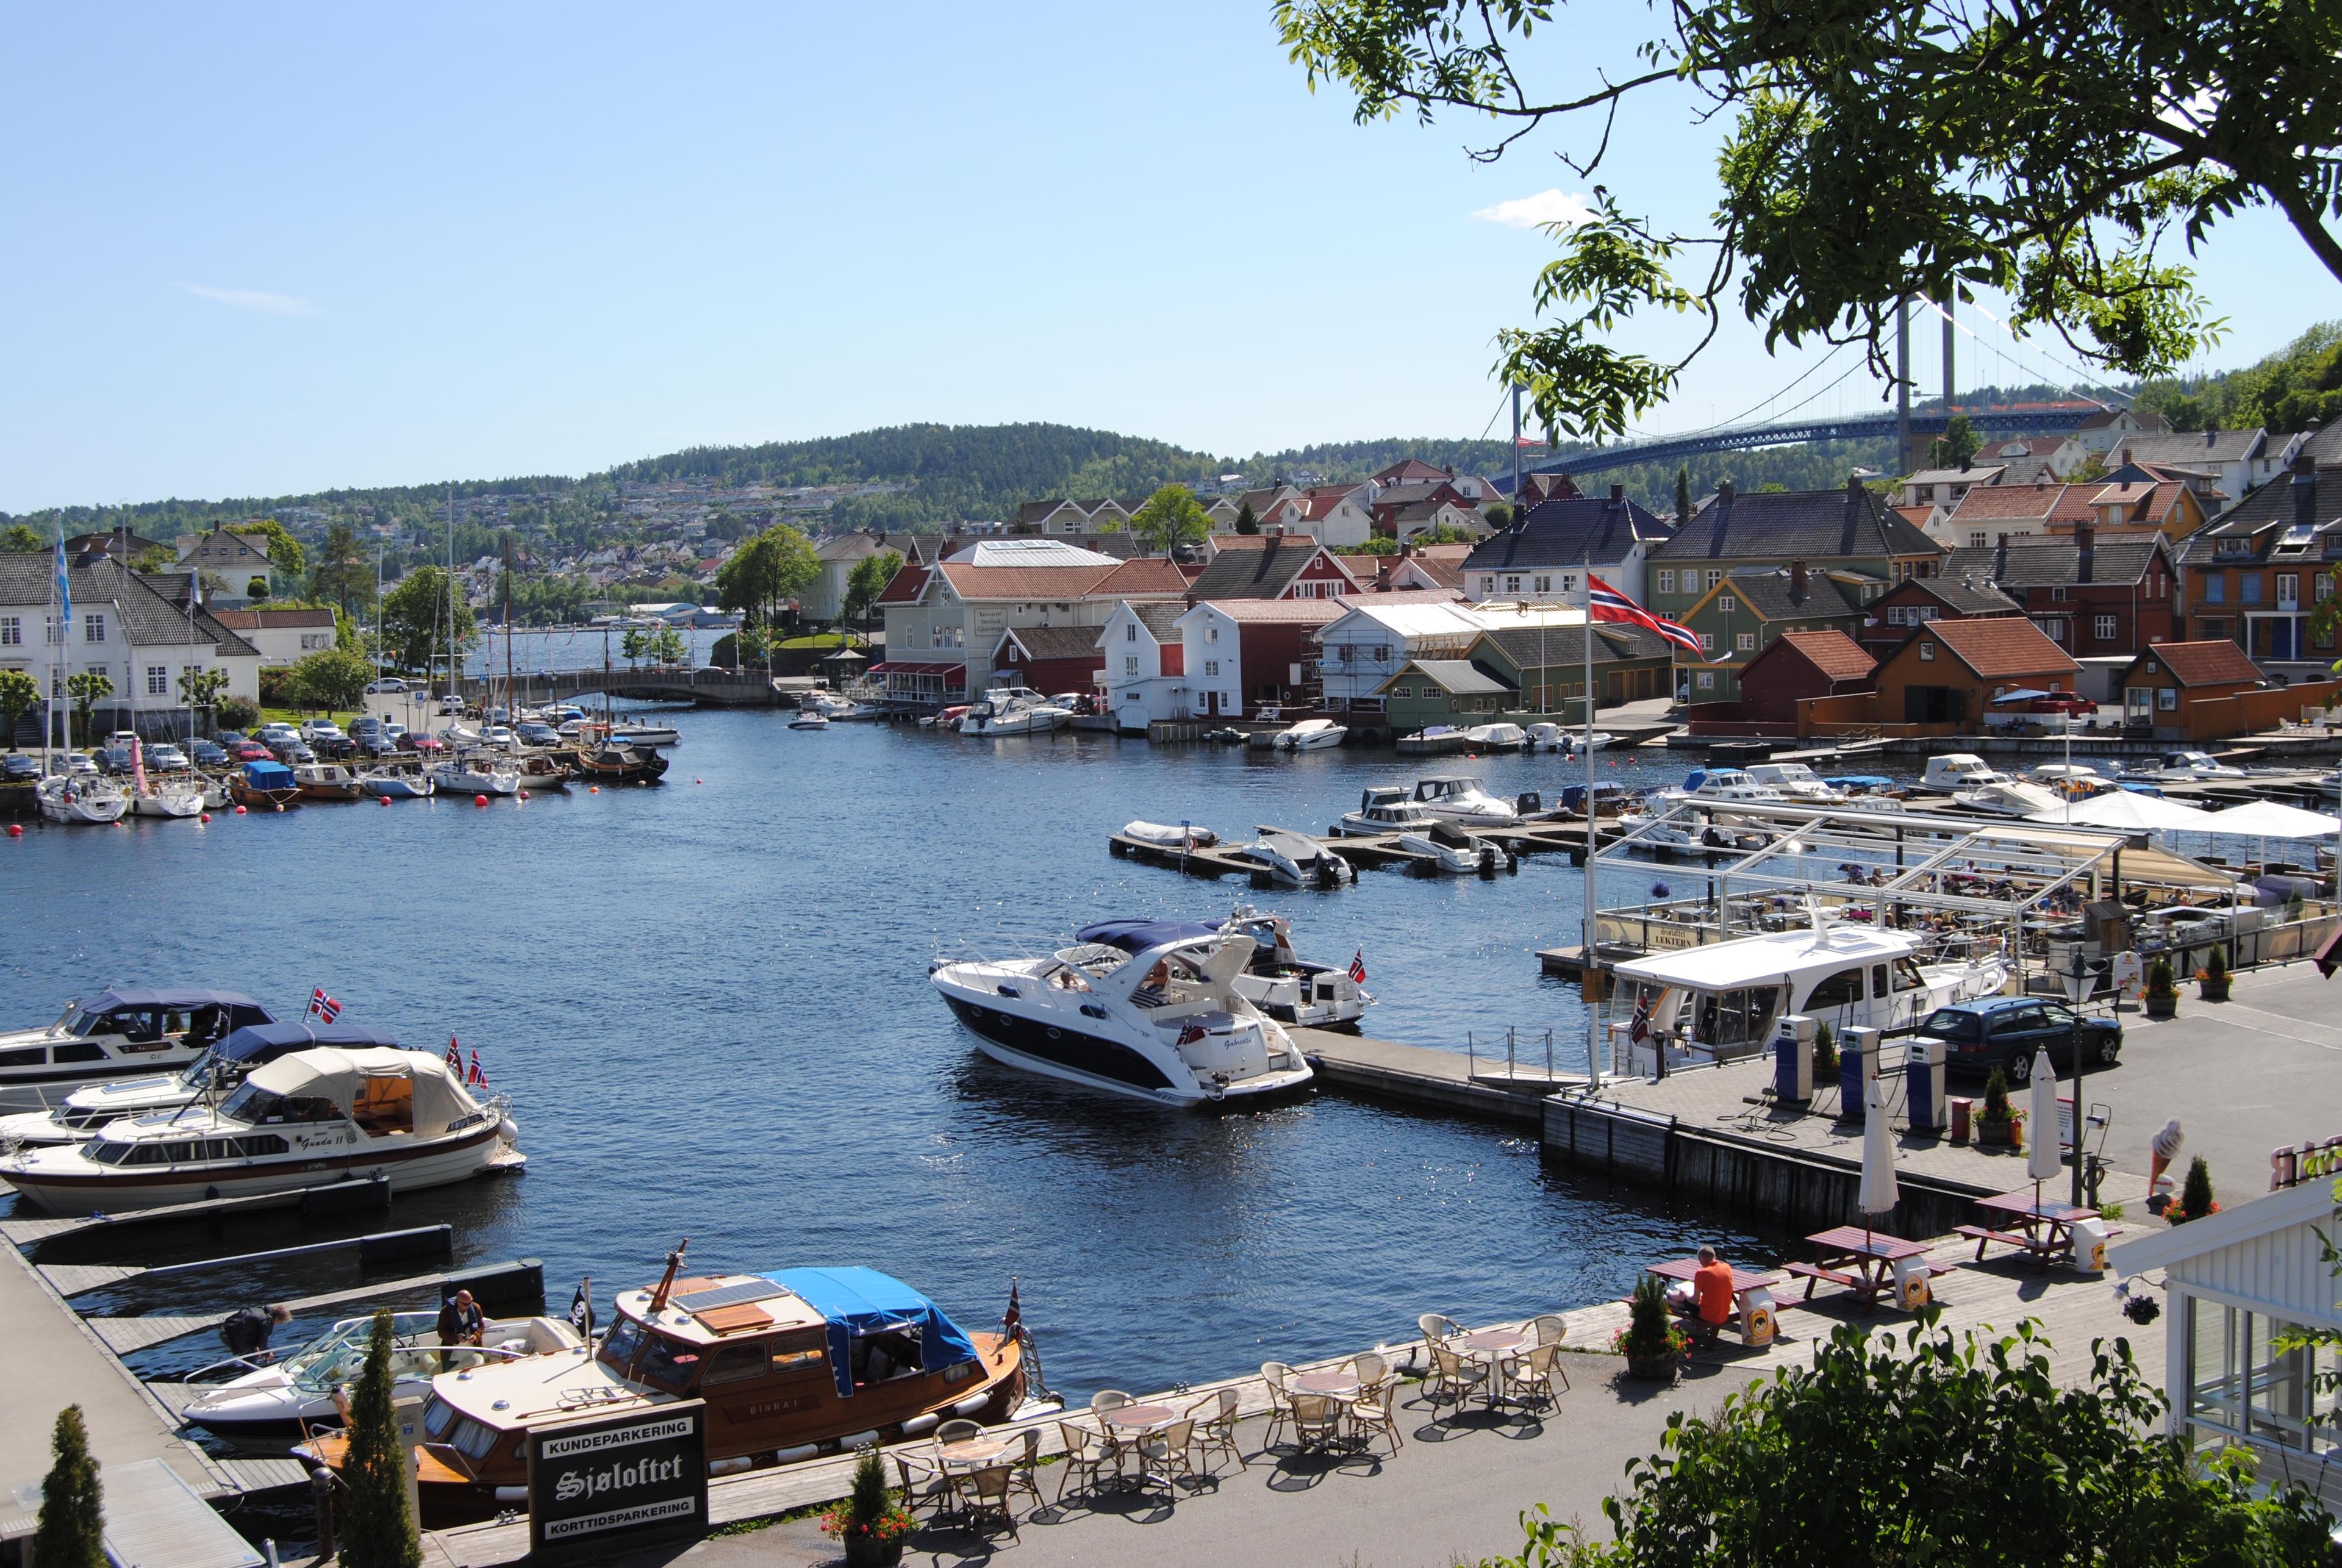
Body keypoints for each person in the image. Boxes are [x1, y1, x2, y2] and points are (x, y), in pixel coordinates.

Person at [220, 1303, 292, 1362]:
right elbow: (262, 1343)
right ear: (279, 1319)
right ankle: (248, 1376)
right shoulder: (267, 1322)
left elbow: (253, 1333)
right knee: (253, 1356)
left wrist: (256, 1347)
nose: (279, 1324)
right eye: (282, 1322)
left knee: (255, 1351)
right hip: (230, 1337)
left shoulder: (260, 1310)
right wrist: (268, 1354)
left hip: (225, 1330)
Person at [437, 1289, 484, 1368]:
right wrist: (456, 1338)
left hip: (473, 1352)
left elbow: (481, 1326)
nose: (469, 1305)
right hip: (452, 1356)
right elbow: (441, 1332)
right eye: (466, 1304)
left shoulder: (476, 1308)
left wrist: (476, 1336)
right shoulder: (445, 1313)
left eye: (471, 1302)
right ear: (458, 1302)